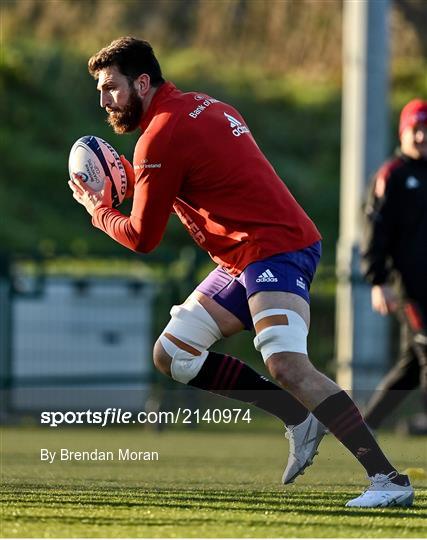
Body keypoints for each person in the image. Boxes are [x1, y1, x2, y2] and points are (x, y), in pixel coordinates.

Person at [69, 36, 414, 507]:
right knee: (173, 353)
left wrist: (97, 209)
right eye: (100, 91)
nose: (105, 100)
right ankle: (296, 415)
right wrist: (138, 180)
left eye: (111, 88)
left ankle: (387, 479)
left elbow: (141, 238)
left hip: (275, 248)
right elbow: (208, 177)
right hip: (241, 257)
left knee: (286, 362)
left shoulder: (160, 135)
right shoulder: (204, 105)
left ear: (142, 82)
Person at [361, 98, 427, 435]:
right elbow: (374, 230)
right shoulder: (392, 175)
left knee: (412, 367)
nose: (421, 137)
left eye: (425, 130)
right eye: (415, 130)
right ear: (403, 133)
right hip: (408, 288)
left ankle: (363, 427)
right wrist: (379, 281)